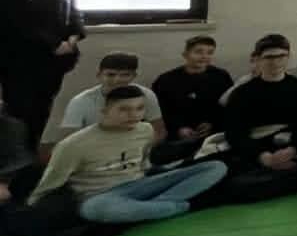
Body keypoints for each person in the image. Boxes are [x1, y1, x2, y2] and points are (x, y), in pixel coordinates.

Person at [29, 84, 225, 225]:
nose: (134, 115)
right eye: (124, 109)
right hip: (101, 195)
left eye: (139, 109)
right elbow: (51, 180)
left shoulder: (145, 129)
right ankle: (178, 206)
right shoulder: (73, 144)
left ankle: (155, 206)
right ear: (105, 111)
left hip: (141, 184)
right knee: (95, 210)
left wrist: (161, 173)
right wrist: (34, 206)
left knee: (215, 167)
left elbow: (144, 161)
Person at [0, 0, 85, 152]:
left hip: (55, 57)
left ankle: (30, 153)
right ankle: (17, 159)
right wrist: (53, 43)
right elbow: (13, 18)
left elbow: (71, 6)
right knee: (21, 111)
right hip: (21, 57)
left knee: (42, 108)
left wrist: (74, 35)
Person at [219, 34, 297, 201]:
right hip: (257, 147)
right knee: (229, 175)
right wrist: (263, 156)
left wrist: (293, 149)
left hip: (293, 145)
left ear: (289, 57)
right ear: (258, 59)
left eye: (281, 56)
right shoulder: (242, 93)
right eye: (269, 57)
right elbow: (235, 132)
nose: (276, 62)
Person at [151, 36, 234, 163]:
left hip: (212, 134)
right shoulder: (166, 80)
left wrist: (212, 123)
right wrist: (179, 128)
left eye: (210, 52)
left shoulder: (221, 76)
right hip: (177, 135)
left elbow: (228, 105)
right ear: (185, 54)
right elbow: (159, 111)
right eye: (198, 52)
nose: (204, 56)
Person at [59, 52, 166, 145]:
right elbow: (68, 140)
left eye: (125, 75)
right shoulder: (80, 101)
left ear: (134, 76)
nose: (117, 80)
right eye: (111, 75)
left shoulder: (146, 95)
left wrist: (139, 150)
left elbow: (159, 131)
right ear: (99, 75)